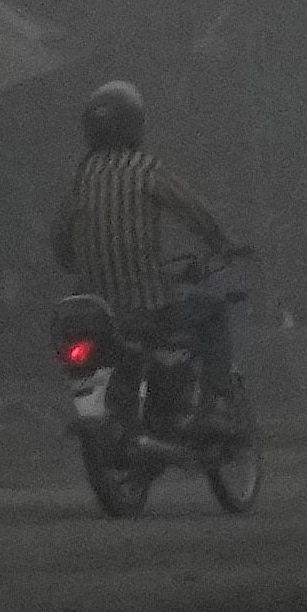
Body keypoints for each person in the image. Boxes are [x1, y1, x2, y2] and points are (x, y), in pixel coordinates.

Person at [52, 81, 250, 388]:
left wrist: (76, 264)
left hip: (97, 312)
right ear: (134, 124)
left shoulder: (84, 175)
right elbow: (193, 209)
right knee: (215, 311)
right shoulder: (145, 169)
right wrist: (222, 243)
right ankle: (211, 405)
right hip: (147, 306)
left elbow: (60, 237)